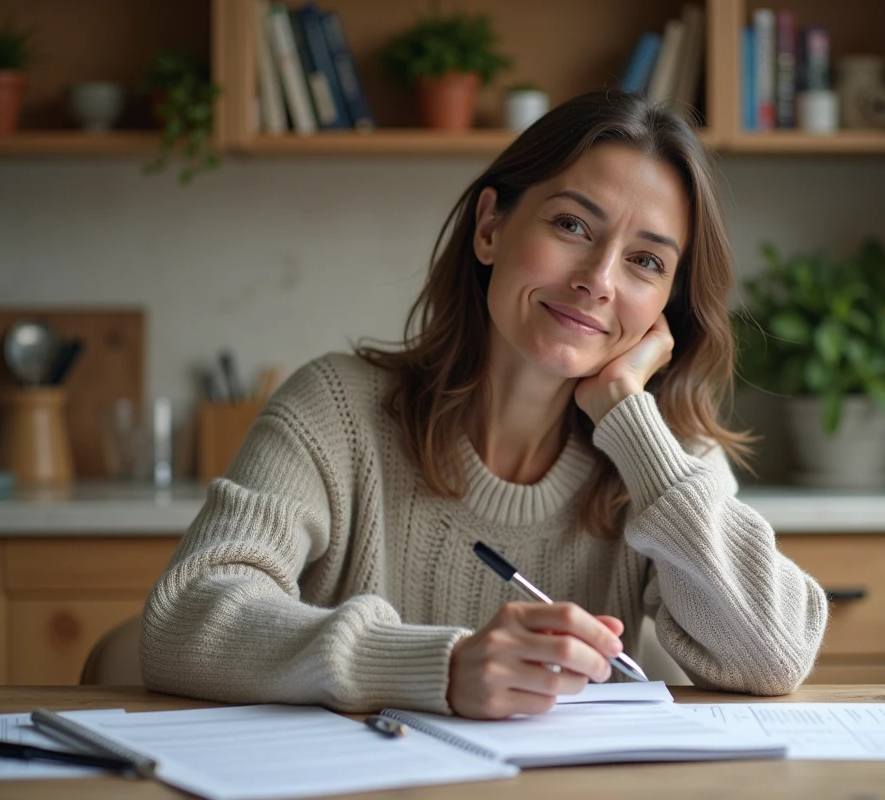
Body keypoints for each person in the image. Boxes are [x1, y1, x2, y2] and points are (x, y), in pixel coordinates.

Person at [140, 89, 827, 720]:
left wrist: (626, 415)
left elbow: (775, 657)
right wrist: (439, 668)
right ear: (491, 227)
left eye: (645, 262)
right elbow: (183, 620)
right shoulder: (335, 409)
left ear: (665, 309)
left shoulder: (664, 460)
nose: (597, 281)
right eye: (572, 225)